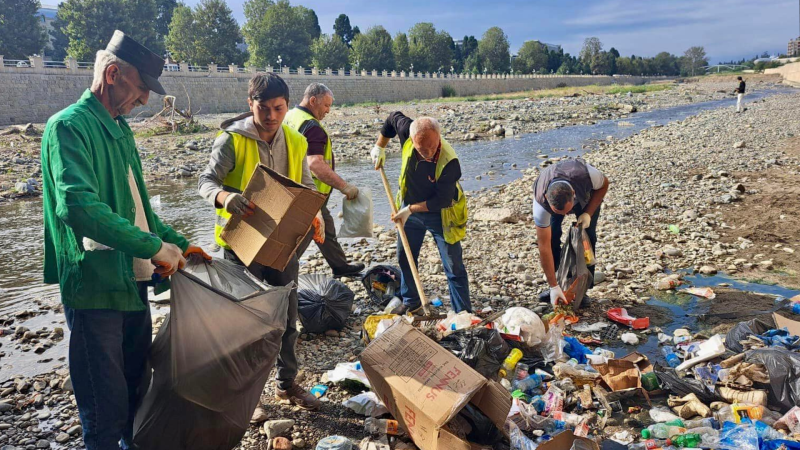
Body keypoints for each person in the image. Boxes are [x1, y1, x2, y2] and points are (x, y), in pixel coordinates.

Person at [41, 30, 209, 450]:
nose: (146, 100)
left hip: (132, 282)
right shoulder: (68, 127)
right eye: (142, 88)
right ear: (113, 74)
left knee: (137, 388)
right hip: (95, 288)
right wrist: (153, 248)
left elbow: (136, 208)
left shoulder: (119, 129)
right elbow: (77, 207)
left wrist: (176, 241)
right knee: (105, 405)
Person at [197, 72, 321, 413]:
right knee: (246, 322)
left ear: (287, 106)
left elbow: (306, 184)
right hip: (241, 245)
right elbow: (205, 181)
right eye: (263, 108)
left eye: (278, 108)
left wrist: (316, 216)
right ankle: (246, 395)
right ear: (250, 104)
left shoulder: (296, 140)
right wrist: (225, 197)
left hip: (282, 242)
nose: (270, 116)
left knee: (286, 316)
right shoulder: (232, 140)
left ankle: (286, 384)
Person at [371, 112, 472, 314]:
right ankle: (412, 301)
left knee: (453, 265)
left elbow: (441, 201)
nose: (429, 153)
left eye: (433, 147)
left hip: (442, 214)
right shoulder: (406, 129)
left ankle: (462, 313)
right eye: (422, 149)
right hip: (409, 207)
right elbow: (392, 119)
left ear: (439, 136)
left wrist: (409, 210)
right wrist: (379, 146)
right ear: (411, 138)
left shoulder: (450, 162)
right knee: (405, 256)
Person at [285, 83, 365, 277]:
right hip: (308, 193)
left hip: (290, 185)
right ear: (313, 101)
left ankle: (340, 266)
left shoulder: (290, 116)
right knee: (305, 234)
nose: (328, 110)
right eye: (326, 105)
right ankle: (281, 270)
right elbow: (315, 164)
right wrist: (344, 186)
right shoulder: (312, 127)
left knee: (326, 226)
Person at [532, 158, 609, 306]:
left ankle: (583, 289)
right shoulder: (540, 201)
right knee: (552, 238)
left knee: (588, 239)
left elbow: (604, 185)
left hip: (585, 197)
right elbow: (543, 246)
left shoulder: (588, 175)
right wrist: (553, 286)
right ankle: (558, 284)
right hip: (557, 203)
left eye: (567, 211)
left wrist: (588, 213)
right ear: (547, 198)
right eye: (561, 213)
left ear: (573, 193)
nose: (566, 215)